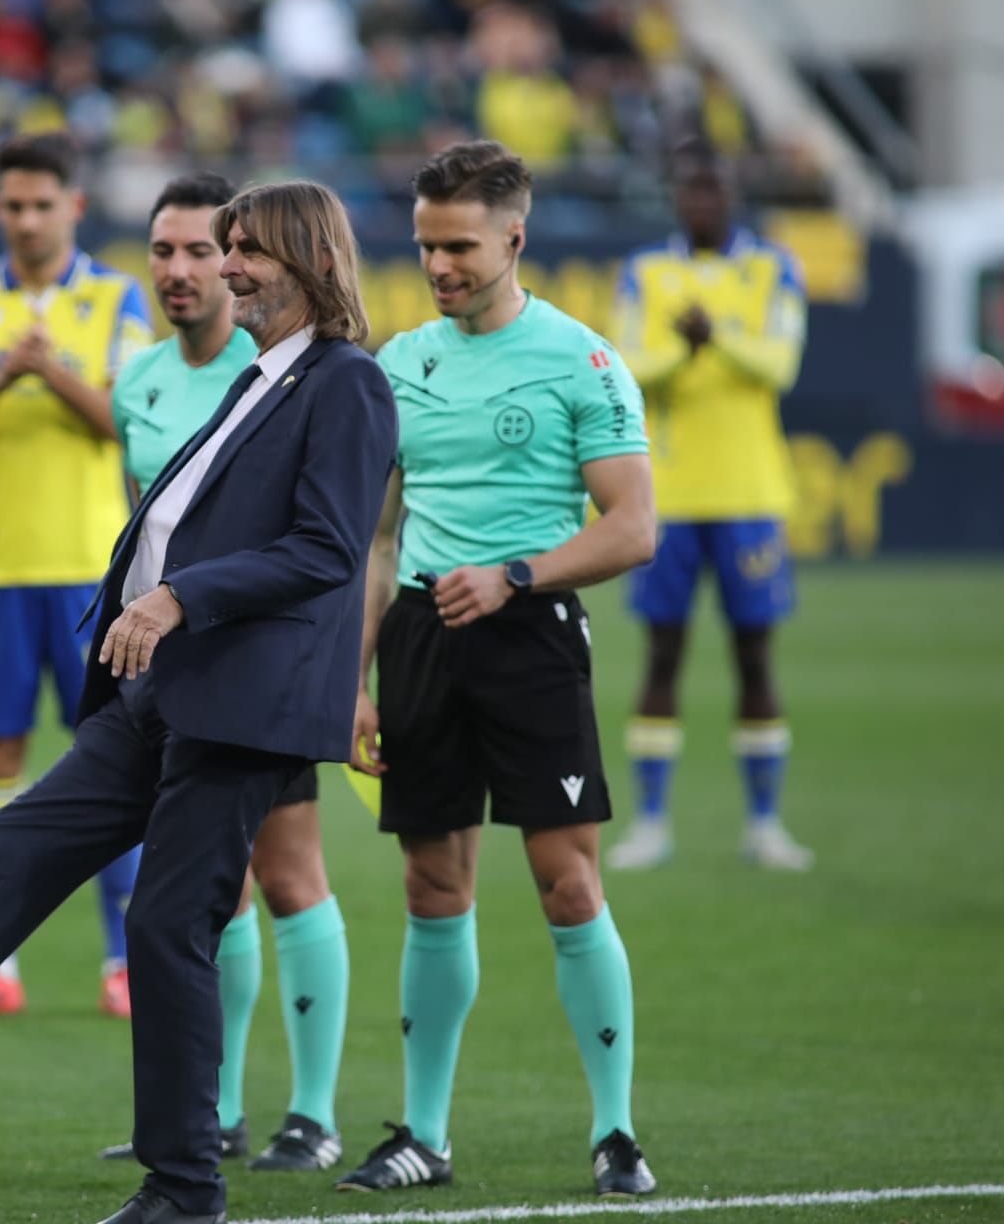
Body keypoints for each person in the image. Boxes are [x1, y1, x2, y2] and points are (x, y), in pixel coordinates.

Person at [0, 179, 398, 1224]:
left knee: (166, 924)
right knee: (11, 846)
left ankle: (186, 1186)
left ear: (308, 259)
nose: (225, 265)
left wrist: (179, 597)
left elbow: (326, 548)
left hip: (240, 698)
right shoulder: (262, 377)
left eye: (245, 249)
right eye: (220, 246)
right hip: (167, 686)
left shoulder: (346, 382)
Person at [342, 140, 657, 1198]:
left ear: (515, 236)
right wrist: (355, 675)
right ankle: (423, 1132)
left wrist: (517, 573)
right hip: (424, 641)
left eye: (460, 246)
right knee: (434, 885)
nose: (439, 264)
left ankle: (616, 1133)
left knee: (568, 885)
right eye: (427, 244)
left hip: (530, 637)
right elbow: (377, 543)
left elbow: (633, 527)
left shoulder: (582, 359)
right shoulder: (397, 365)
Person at [98, 171, 349, 1173]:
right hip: (170, 677)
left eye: (205, 248)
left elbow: (341, 544)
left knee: (290, 872)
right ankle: (217, 1111)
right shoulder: (142, 382)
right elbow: (144, 537)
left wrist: (355, 673)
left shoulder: (287, 373)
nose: (187, 268)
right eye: (164, 250)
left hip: (263, 666)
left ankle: (315, 1111)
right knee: (216, 892)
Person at [0, 131, 151, 1020]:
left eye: (43, 204)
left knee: (114, 761)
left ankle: (123, 962)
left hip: (93, 576)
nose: (26, 219)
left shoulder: (117, 297)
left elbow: (129, 424)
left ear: (74, 207)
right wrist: (1, 377)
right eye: (12, 205)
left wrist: (48, 370)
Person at [603, 140, 814, 872]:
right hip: (669, 496)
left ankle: (764, 823)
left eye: (713, 190)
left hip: (752, 492)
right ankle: (651, 823)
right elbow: (628, 366)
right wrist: (690, 352)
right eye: (690, 191)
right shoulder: (645, 272)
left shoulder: (773, 268)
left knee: (754, 656)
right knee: (662, 654)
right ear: (677, 198)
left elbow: (780, 366)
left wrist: (712, 336)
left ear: (733, 195)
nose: (702, 202)